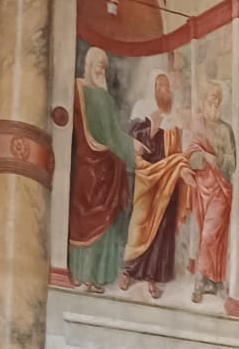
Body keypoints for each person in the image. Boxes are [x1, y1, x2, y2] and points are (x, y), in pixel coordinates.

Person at [66, 46, 133, 293]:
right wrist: (134, 151)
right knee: (92, 221)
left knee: (87, 221)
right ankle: (87, 276)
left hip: (88, 167)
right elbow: (113, 138)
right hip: (98, 169)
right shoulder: (97, 97)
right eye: (99, 64)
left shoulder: (79, 91)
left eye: (104, 65)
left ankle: (85, 276)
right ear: (90, 64)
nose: (101, 69)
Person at [119, 72, 188, 298]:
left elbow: (180, 147)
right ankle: (128, 270)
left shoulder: (175, 116)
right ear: (152, 88)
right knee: (140, 222)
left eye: (166, 85)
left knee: (162, 226)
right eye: (158, 85)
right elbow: (135, 142)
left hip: (168, 176)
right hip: (147, 174)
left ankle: (152, 277)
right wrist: (153, 128)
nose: (163, 90)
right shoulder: (142, 108)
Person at [185, 80, 235, 302]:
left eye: (217, 99)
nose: (215, 103)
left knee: (210, 235)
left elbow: (232, 161)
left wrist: (219, 159)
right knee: (206, 235)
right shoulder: (198, 125)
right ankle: (214, 280)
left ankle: (200, 281)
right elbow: (190, 156)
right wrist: (205, 156)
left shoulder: (226, 129)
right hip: (202, 188)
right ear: (204, 101)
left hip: (221, 188)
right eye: (211, 98)